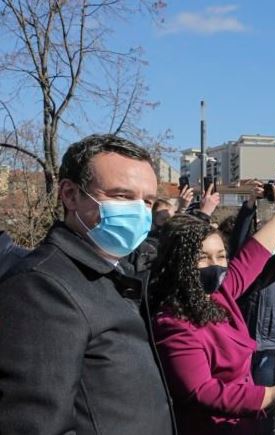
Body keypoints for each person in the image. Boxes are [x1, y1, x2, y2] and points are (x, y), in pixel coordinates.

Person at [0, 134, 174, 434]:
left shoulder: (111, 273)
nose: (139, 212)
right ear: (70, 195)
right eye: (121, 196)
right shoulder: (41, 288)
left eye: (147, 201)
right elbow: (34, 425)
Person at [151, 185, 275, 434]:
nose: (215, 266)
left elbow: (252, 256)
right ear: (180, 263)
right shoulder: (172, 323)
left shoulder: (217, 295)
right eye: (203, 258)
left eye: (220, 256)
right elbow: (202, 391)